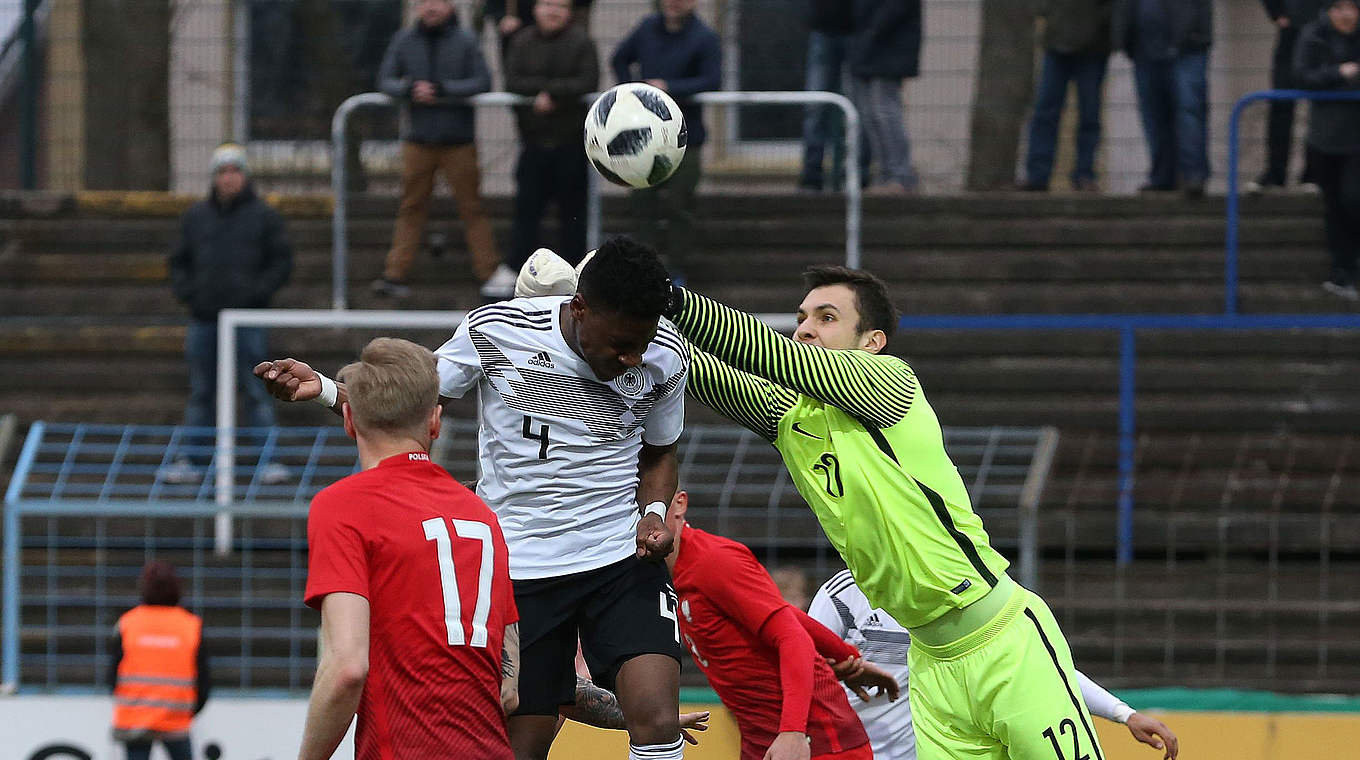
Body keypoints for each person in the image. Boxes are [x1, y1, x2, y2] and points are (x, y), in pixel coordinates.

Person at [255, 237, 690, 760]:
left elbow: (660, 452)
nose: (632, 357)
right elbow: (406, 405)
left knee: (658, 719)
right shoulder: (496, 331)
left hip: (619, 558)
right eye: (621, 343)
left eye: (641, 344)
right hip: (520, 569)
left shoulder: (666, 353)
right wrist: (325, 388)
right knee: (521, 745)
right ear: (581, 309)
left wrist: (653, 513)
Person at [660, 267, 1104, 760]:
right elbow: (690, 368)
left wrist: (668, 297)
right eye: (801, 317)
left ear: (872, 341)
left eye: (827, 317)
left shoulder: (892, 381)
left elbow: (775, 356)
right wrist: (631, 311)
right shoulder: (791, 417)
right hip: (932, 668)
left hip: (1001, 639)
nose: (805, 328)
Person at [296, 337, 519, 760]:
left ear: (348, 418)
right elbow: (508, 690)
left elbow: (347, 667)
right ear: (435, 422)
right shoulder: (483, 517)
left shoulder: (344, 505)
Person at [809, 570, 1182, 760]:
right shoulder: (840, 598)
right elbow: (803, 669)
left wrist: (1123, 714)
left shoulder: (962, 596)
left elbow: (1037, 668)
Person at [664, 490, 900, 760]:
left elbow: (792, 636)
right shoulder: (663, 573)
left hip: (815, 742)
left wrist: (792, 732)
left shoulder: (713, 561)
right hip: (762, 742)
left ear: (680, 504)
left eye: (650, 505)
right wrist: (847, 657)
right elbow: (784, 612)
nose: (641, 519)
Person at [162, 142, 292, 485]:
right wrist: (190, 295)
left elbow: (281, 262)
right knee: (201, 390)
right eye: (223, 171)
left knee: (256, 390)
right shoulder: (195, 217)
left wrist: (256, 295)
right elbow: (178, 262)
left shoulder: (264, 216)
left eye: (235, 170)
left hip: (248, 320)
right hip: (204, 319)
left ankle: (268, 461)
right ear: (214, 177)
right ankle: (192, 460)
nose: (229, 178)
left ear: (245, 176)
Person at [374, 0, 515, 301]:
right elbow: (385, 79)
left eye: (436, 1)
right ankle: (394, 274)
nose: (430, 7)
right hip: (418, 141)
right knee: (411, 207)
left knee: (472, 208)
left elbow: (483, 81)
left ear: (450, 6)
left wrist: (444, 90)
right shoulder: (404, 40)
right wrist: (409, 89)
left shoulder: (465, 41)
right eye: (424, 2)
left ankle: (488, 272)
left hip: (458, 142)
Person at [611, 0, 722, 283]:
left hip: (687, 138)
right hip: (645, 138)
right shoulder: (647, 28)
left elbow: (712, 80)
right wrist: (631, 91)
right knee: (642, 201)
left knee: (679, 205)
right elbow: (619, 58)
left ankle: (675, 270)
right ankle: (643, 267)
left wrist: (669, 88)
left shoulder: (705, 37)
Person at [504, 0, 599, 272]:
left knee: (572, 219)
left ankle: (576, 275)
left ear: (569, 11)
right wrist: (545, 93)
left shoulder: (582, 42)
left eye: (560, 5)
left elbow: (587, 81)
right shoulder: (521, 41)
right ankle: (519, 274)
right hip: (532, 145)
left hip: (570, 147)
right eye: (547, 3)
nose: (553, 11)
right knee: (526, 215)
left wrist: (552, 95)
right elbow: (512, 81)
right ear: (535, 8)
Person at [110, 562, 211, 760]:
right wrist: (189, 710)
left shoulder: (128, 623)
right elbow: (204, 679)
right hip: (176, 718)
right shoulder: (191, 626)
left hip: (135, 718)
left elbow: (112, 674)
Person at [1112, 0, 1213, 198]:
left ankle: (1193, 175)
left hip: (1187, 48)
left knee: (1189, 111)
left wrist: (1197, 35)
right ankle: (1163, 177)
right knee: (1154, 116)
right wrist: (1122, 38)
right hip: (1144, 51)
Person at [1295, 0, 1360, 299]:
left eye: (1352, 8)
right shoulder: (1314, 35)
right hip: (1326, 137)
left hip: (1355, 137)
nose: (1347, 15)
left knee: (1352, 197)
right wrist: (1339, 73)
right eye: (1340, 8)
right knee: (1335, 204)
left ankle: (1350, 266)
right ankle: (1341, 271)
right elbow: (1303, 75)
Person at [1019, 0, 1114, 192]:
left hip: (1093, 49)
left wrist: (1099, 26)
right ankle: (1038, 176)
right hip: (1056, 45)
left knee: (1089, 115)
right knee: (1044, 113)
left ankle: (1084, 175)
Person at [1248, 0, 1328, 193]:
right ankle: (1276, 173)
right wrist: (1276, 12)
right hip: (1291, 31)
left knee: (1320, 105)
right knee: (1281, 104)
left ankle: (1313, 173)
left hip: (1323, 31)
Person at [848, 0, 922, 195]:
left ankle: (900, 175)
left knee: (885, 112)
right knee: (870, 115)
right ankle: (886, 174)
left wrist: (872, 32)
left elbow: (895, 9)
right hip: (867, 47)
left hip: (888, 48)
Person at [799, 0, 861, 193]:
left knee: (855, 109)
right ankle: (812, 175)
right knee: (815, 106)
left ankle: (853, 173)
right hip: (823, 28)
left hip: (858, 31)